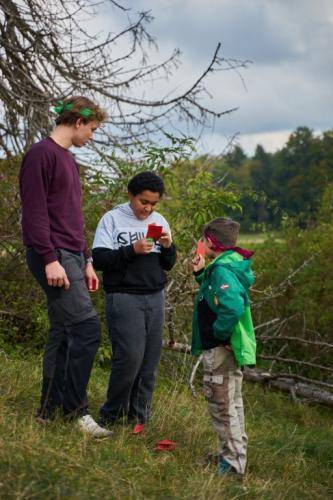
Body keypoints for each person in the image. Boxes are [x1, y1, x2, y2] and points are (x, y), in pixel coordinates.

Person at [19, 96, 112, 437]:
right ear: (77, 123)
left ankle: (48, 410)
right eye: (92, 129)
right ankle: (77, 412)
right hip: (53, 254)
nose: (92, 136)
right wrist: (49, 259)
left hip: (70, 255)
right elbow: (34, 213)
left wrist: (86, 259)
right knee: (87, 329)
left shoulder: (68, 160)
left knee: (64, 331)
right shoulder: (40, 155)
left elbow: (71, 215)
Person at [92, 171, 176, 431]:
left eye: (153, 204)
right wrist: (132, 250)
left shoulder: (159, 220)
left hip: (155, 296)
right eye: (144, 202)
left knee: (149, 363)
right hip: (124, 296)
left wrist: (168, 246)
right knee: (129, 359)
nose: (148, 208)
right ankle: (111, 414)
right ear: (131, 195)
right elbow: (100, 260)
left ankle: (139, 420)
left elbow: (168, 263)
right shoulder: (112, 219)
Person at [191, 217, 256, 476]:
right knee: (233, 403)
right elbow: (216, 295)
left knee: (222, 405)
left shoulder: (222, 270)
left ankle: (232, 466)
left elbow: (231, 307)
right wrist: (200, 274)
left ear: (209, 241)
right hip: (225, 349)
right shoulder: (226, 265)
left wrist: (219, 333)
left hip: (220, 349)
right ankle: (234, 455)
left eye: (203, 238)